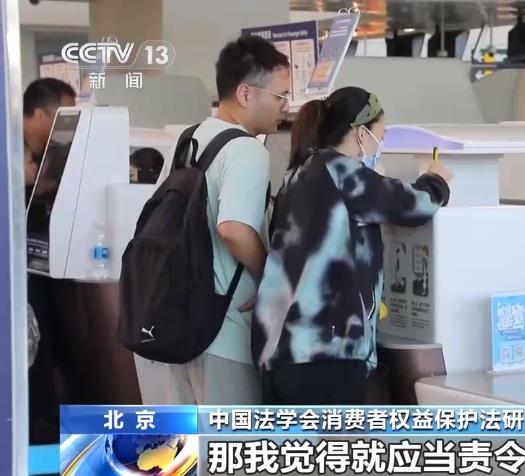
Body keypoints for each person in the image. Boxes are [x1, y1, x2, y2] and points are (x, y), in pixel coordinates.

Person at [253, 86, 453, 404]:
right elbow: (413, 205)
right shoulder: (341, 172)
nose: (380, 144)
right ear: (361, 133)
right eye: (381, 135)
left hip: (280, 353)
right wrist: (436, 180)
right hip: (327, 355)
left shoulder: (298, 174)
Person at [133, 35, 290, 405]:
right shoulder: (246, 149)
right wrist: (270, 277)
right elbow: (233, 229)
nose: (285, 106)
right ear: (245, 94)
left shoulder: (188, 139)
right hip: (225, 326)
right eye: (280, 95)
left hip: (177, 318)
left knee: (184, 439)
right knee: (230, 438)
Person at [22, 77, 75, 444]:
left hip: (38, 266)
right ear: (40, 113)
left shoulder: (45, 152)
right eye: (63, 115)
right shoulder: (14, 144)